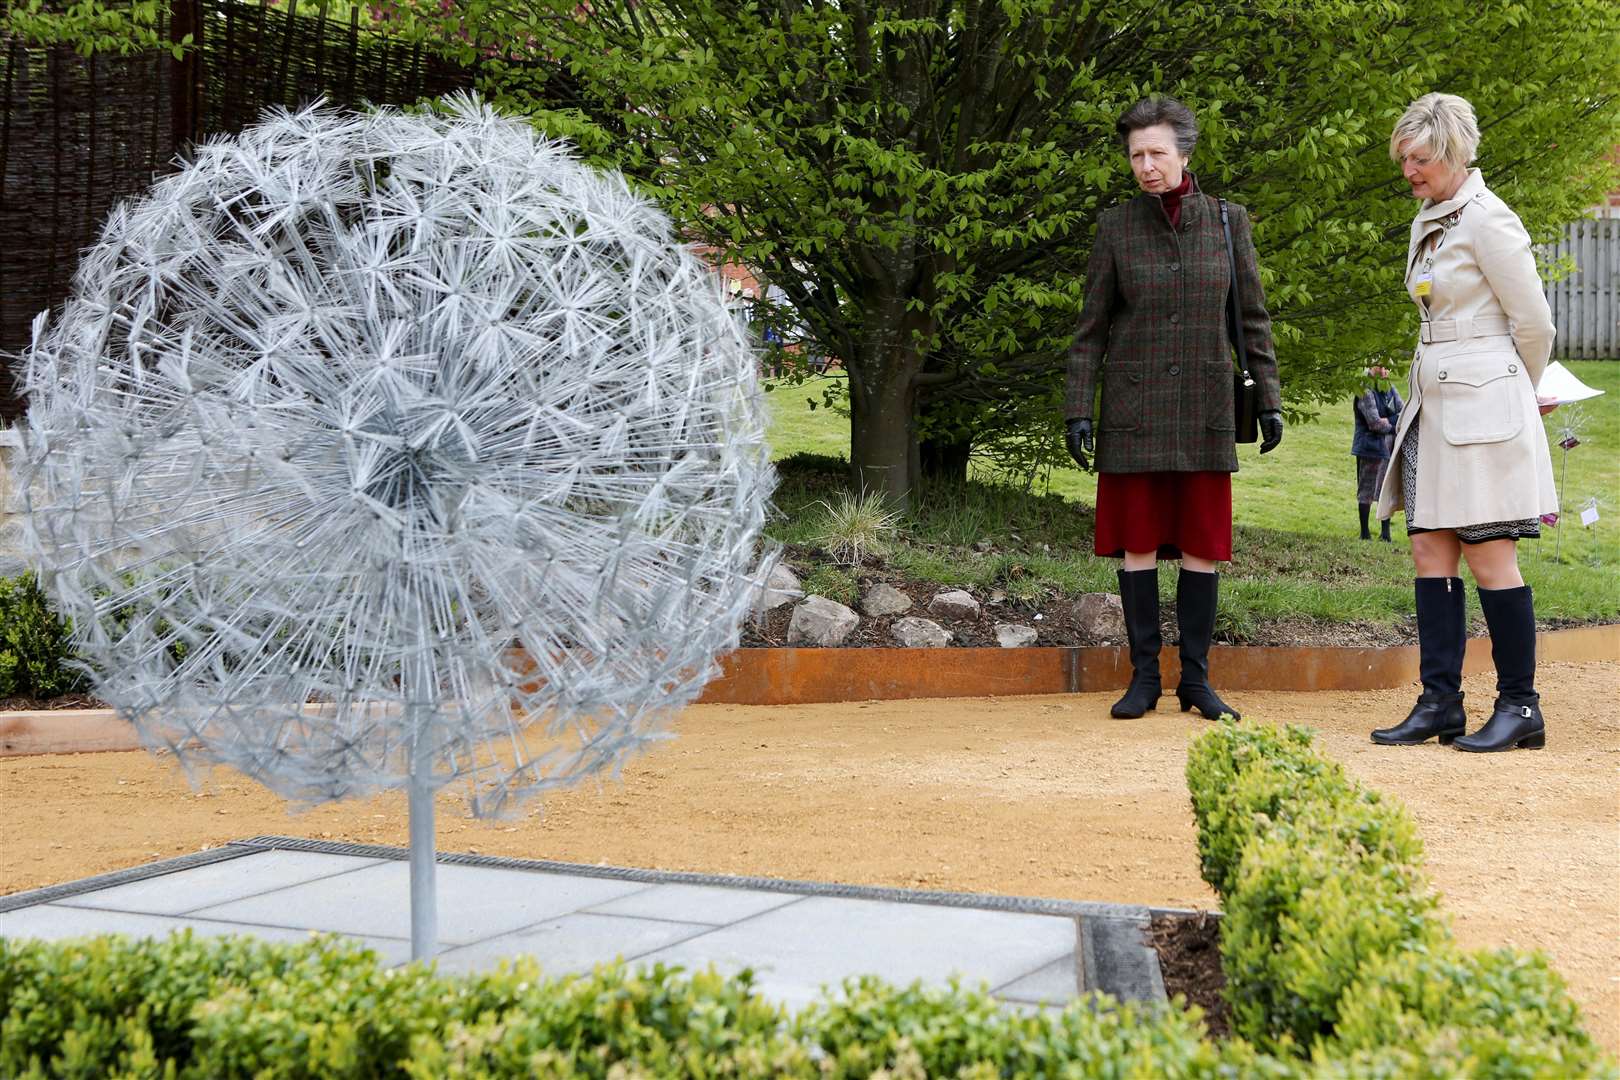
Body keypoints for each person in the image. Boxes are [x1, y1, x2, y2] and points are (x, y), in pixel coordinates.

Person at [1064, 94, 1283, 722]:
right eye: (1136, 155)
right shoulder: (1115, 227)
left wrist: (1268, 400)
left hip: (1207, 406)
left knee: (1201, 545)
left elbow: (1252, 319)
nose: (1145, 165)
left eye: (1156, 152)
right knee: (1137, 544)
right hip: (1133, 412)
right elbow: (1090, 329)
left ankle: (1196, 680)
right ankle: (1142, 679)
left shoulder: (1226, 221)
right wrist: (1078, 409)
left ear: (1184, 152)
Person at [1370, 92, 1558, 753]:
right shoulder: (1434, 216)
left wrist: (1514, 396)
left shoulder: (1488, 220)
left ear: (1451, 152)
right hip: (1435, 403)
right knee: (1430, 549)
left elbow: (1534, 325)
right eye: (1404, 160)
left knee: (1488, 553)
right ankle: (1440, 702)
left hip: (1483, 408)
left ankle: (1521, 706)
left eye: (1418, 159)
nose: (1409, 172)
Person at [1352, 365, 1403, 541]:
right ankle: (1364, 533)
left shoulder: (1389, 387)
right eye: (1379, 367)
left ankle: (1385, 534)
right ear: (1371, 367)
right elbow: (1374, 424)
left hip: (1389, 447)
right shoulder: (1364, 389)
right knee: (1366, 490)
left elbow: (1403, 412)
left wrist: (1389, 421)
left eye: (1386, 368)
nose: (1383, 372)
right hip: (1370, 447)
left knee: (1386, 489)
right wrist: (1394, 424)